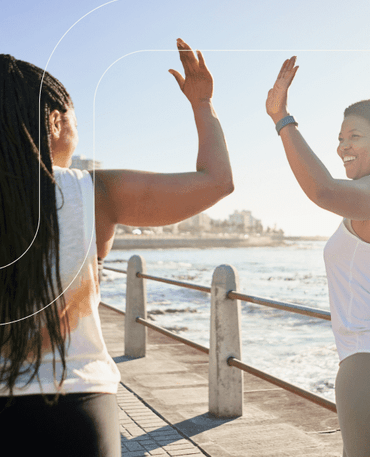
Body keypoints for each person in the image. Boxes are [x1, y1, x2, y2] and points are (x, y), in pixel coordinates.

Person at [0, 38, 233, 456]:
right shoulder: (93, 191)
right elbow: (217, 182)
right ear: (55, 122)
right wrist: (202, 103)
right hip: (75, 404)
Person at [266, 56, 370, 457]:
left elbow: (324, 190)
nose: (342, 146)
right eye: (340, 138)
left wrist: (282, 119)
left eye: (354, 136)